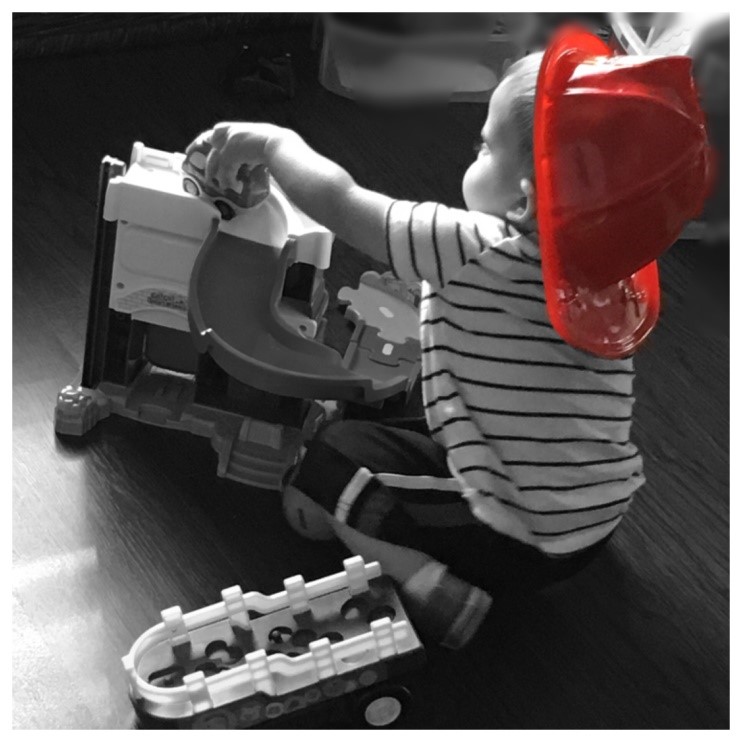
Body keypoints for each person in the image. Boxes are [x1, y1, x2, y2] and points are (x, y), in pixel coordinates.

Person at [187, 32, 707, 649]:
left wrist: (275, 144)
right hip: (593, 520)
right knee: (407, 411)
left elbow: (345, 203)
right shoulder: (606, 272)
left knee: (324, 468)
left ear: (524, 196)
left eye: (484, 147)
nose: (473, 153)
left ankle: (433, 589)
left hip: (519, 537)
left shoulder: (475, 247)